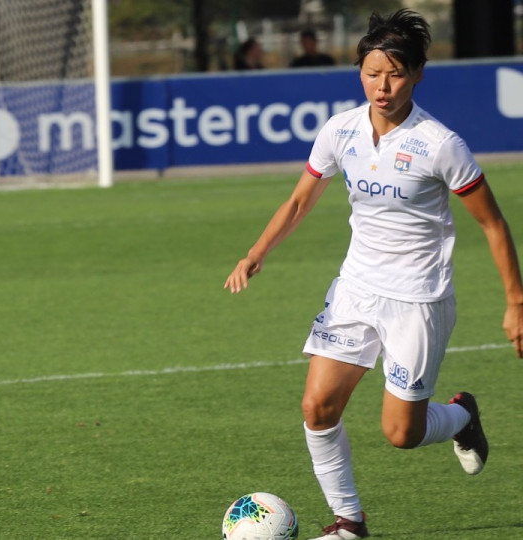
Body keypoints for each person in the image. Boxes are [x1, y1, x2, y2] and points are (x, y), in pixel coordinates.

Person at [224, 9, 523, 540]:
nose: (382, 87)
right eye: (372, 73)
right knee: (317, 406)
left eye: (396, 74)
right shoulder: (341, 130)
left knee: (401, 433)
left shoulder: (440, 144)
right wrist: (256, 252)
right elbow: (300, 200)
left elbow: (493, 224)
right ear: (359, 72)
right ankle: (349, 523)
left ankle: (461, 416)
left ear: (418, 75)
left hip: (418, 299)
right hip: (357, 288)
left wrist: (516, 303)